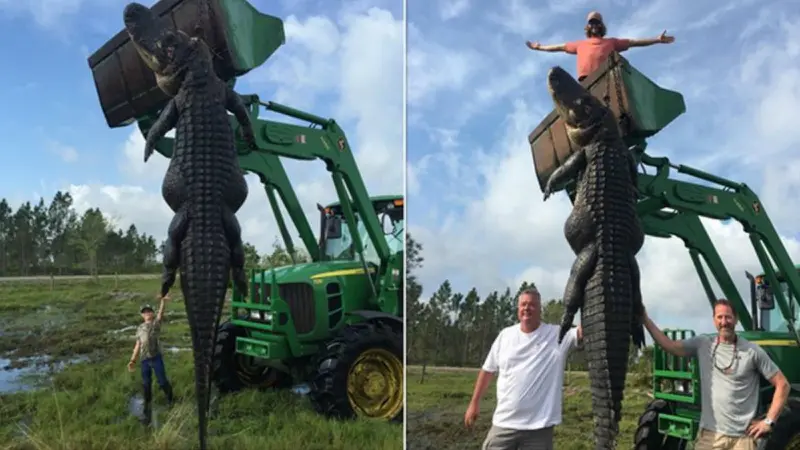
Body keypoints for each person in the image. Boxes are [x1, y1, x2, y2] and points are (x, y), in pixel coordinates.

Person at [642, 299, 790, 450]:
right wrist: (646, 320)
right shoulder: (703, 344)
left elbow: (782, 384)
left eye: (728, 317)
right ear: (714, 320)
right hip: (711, 437)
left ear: (736, 319)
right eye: (720, 317)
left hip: (743, 440)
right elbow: (670, 346)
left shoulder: (752, 351)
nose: (724, 322)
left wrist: (768, 421)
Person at [464, 288, 583, 450]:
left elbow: (584, 330)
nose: (527, 308)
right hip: (504, 424)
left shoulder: (558, 335)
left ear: (540, 309)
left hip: (539, 428)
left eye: (532, 305)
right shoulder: (505, 336)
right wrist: (474, 403)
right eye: (523, 304)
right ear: (518, 309)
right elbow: (487, 370)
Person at [526, 11, 675, 81]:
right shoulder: (580, 44)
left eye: (597, 22)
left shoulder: (611, 42)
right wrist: (540, 47)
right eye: (592, 22)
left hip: (608, 79)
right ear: (588, 27)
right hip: (586, 81)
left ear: (601, 25)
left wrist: (656, 39)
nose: (594, 25)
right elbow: (559, 47)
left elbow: (634, 42)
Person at [128, 294, 175, 417]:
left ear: (152, 313)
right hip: (144, 360)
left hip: (156, 358)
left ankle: (171, 399)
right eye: (145, 312)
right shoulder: (139, 328)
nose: (147, 313)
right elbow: (137, 345)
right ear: (142, 315)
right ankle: (147, 405)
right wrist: (133, 360)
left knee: (162, 381)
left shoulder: (156, 324)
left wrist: (163, 302)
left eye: (149, 311)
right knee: (146, 383)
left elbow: (161, 314)